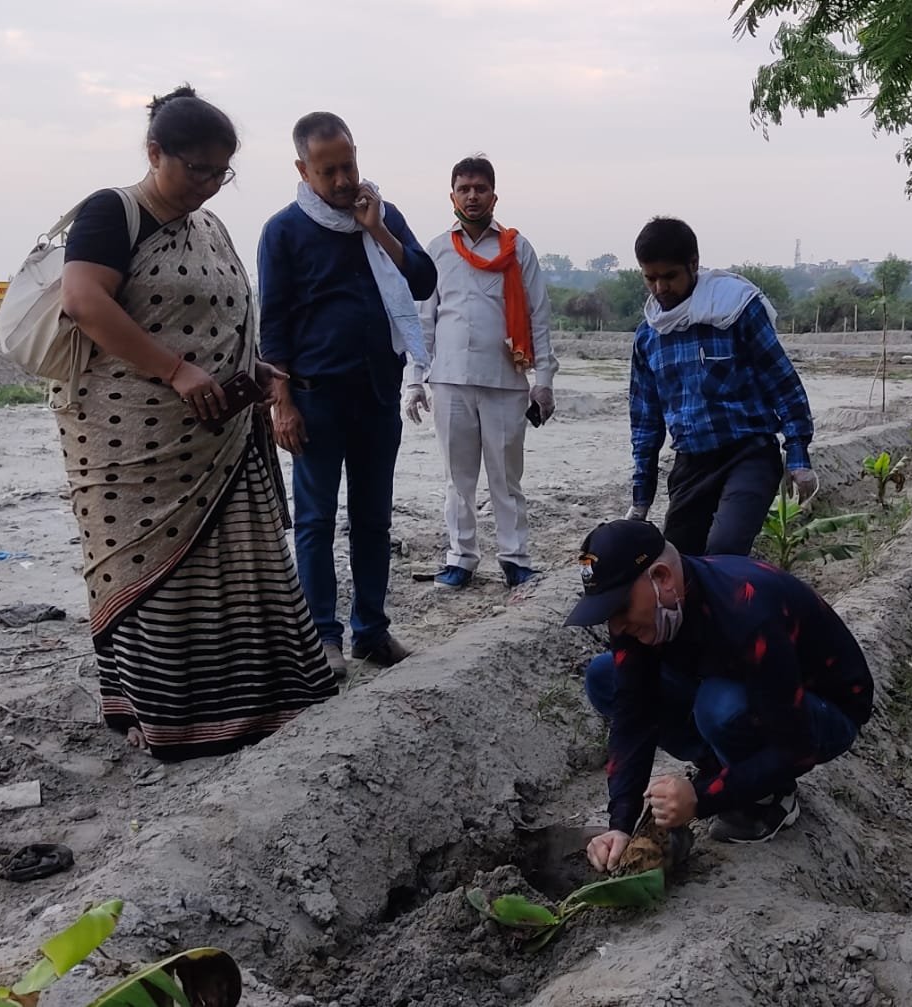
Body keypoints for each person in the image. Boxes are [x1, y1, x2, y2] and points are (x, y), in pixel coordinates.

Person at [58, 85, 336, 761]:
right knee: (154, 574)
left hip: (219, 435)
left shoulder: (210, 227)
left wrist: (261, 379)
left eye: (222, 172)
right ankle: (169, 716)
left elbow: (234, 315)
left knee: (234, 568)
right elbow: (84, 300)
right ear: (156, 153)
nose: (209, 186)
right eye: (196, 170)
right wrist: (175, 370)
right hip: (132, 441)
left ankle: (253, 703)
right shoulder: (111, 213)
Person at [563, 519, 873, 866]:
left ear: (662, 578)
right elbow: (634, 714)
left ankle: (772, 797)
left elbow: (797, 748)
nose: (616, 626)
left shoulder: (746, 610)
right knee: (605, 676)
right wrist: (619, 824)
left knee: (720, 706)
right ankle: (726, 767)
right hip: (745, 690)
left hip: (822, 714)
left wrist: (700, 799)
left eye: (619, 608)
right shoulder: (644, 616)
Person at [258, 111, 437, 676]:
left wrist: (376, 228)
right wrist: (280, 404)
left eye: (349, 165)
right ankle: (323, 638)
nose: (342, 181)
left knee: (373, 518)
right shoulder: (283, 230)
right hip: (315, 400)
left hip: (377, 394)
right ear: (302, 169)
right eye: (328, 170)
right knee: (314, 521)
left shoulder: (383, 215)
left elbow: (424, 280)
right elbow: (275, 326)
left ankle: (372, 632)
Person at [404, 155, 556, 589]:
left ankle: (515, 558)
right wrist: (414, 380)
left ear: (494, 195)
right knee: (458, 478)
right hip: (450, 378)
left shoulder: (515, 249)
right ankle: (461, 558)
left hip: (506, 379)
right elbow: (424, 322)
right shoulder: (435, 250)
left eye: (480, 188)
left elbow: (538, 316)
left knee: (507, 478)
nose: (472, 196)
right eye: (464, 188)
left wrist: (543, 383)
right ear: (451, 195)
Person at [627, 217, 816, 556]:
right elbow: (645, 421)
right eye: (650, 278)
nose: (660, 288)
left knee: (725, 548)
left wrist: (799, 454)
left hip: (749, 453)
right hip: (691, 462)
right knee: (679, 561)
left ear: (694, 264)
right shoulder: (649, 336)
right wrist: (642, 497)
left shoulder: (736, 311)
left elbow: (782, 382)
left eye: (670, 276)